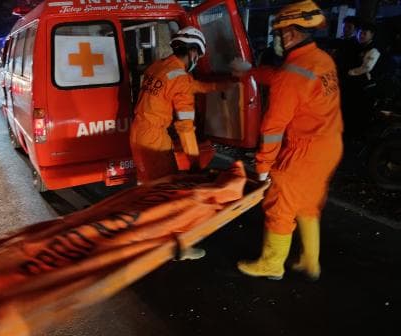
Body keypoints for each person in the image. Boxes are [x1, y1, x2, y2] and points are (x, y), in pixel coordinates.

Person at [233, 0, 343, 281]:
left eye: (279, 34)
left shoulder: (294, 74)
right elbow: (284, 77)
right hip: (329, 145)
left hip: (303, 150)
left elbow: (273, 128)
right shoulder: (321, 60)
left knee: (280, 203)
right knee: (307, 202)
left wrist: (263, 166)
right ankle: (310, 260)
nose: (278, 39)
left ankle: (271, 264)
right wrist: (251, 72)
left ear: (290, 34)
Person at [130, 26, 234, 183]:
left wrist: (219, 86)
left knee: (146, 185)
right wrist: (195, 163)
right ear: (192, 52)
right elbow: (185, 128)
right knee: (164, 188)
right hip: (154, 140)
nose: (196, 61)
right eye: (198, 56)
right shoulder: (179, 78)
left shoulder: (159, 66)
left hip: (137, 132)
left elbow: (190, 86)